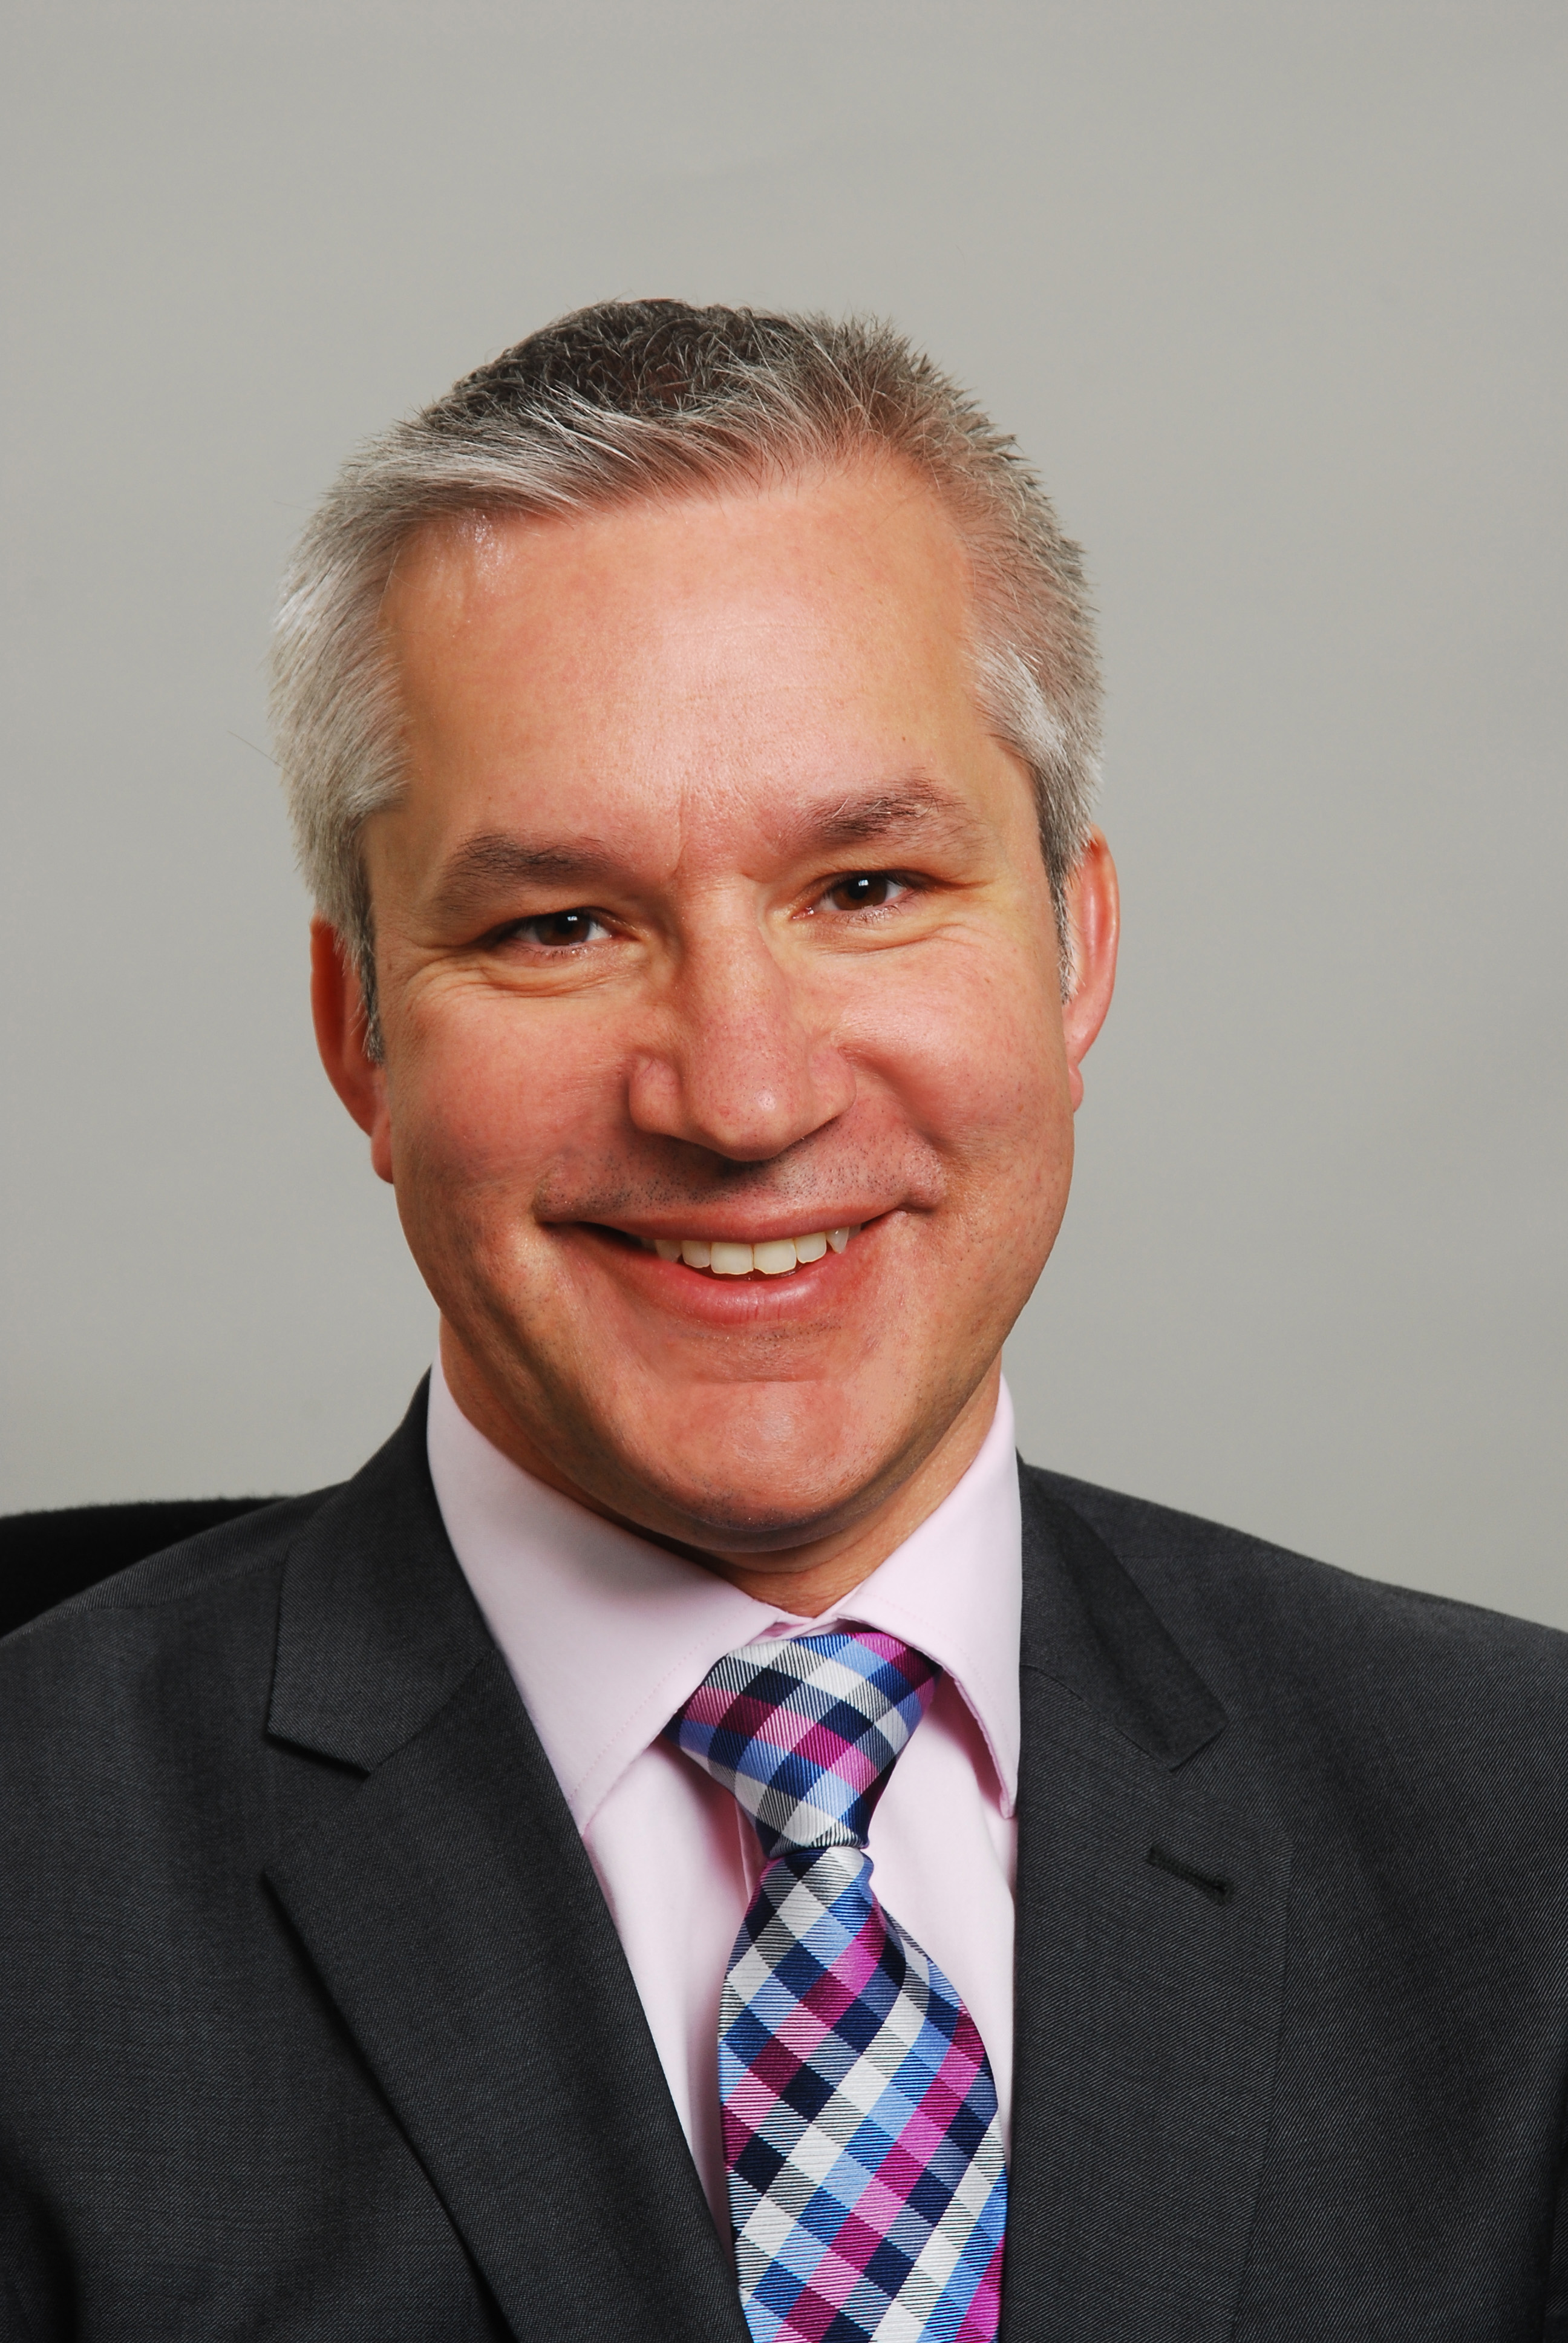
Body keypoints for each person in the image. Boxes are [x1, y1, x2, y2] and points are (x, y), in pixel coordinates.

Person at [1, 301, 1565, 2343]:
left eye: (868, 888)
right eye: (561, 925)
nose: (741, 1098)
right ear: (358, 1033)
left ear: (1077, 947)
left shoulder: (1526, 1835)